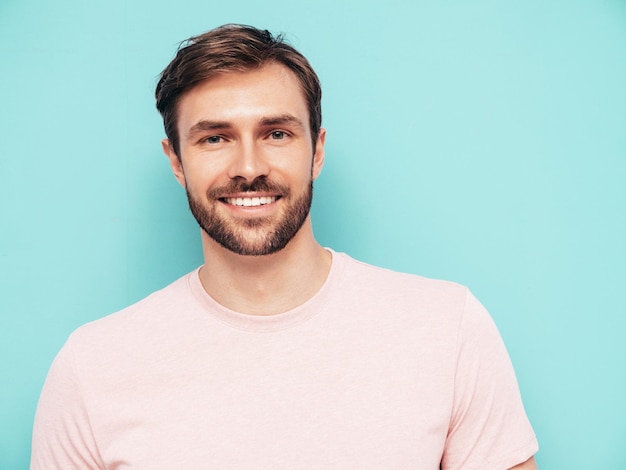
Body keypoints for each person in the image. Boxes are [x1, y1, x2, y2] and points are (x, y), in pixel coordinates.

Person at [31, 24, 538, 469]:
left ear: (316, 149)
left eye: (276, 133)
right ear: (176, 161)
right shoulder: (93, 366)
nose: (248, 166)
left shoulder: (448, 329)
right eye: (214, 138)